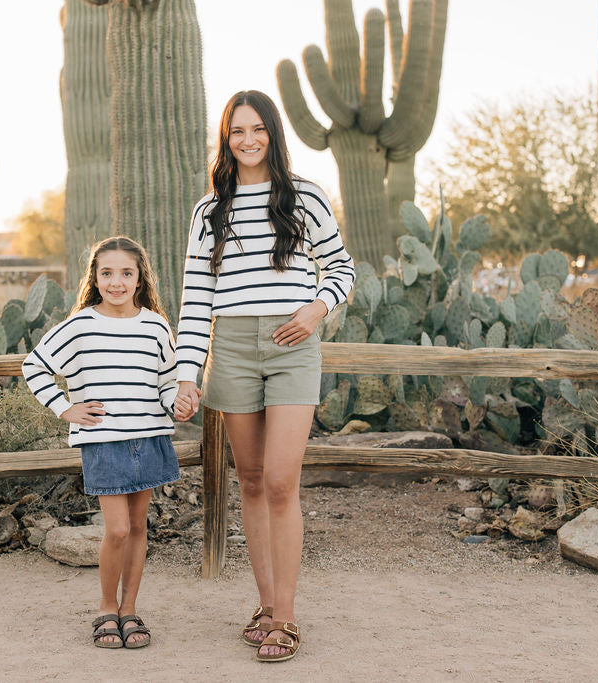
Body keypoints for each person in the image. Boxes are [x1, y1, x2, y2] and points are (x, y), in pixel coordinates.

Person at [174, 90, 355, 662]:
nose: (248, 141)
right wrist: (185, 374)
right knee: (250, 482)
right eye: (236, 132)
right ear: (225, 140)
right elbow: (195, 298)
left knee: (280, 481)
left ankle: (287, 617)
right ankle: (266, 603)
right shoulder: (210, 211)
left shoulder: (306, 197)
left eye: (257, 130)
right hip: (230, 346)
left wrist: (314, 308)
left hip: (292, 346)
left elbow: (343, 268)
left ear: (274, 134)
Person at [23, 236, 195, 650]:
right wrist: (66, 409)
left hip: (150, 436)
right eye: (107, 273)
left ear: (139, 279)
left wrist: (180, 404)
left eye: (126, 273)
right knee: (116, 529)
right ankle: (105, 608)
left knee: (138, 527)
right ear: (95, 278)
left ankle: (129, 609)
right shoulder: (81, 325)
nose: (116, 282)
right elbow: (35, 366)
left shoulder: (155, 325)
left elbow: (166, 383)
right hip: (103, 442)